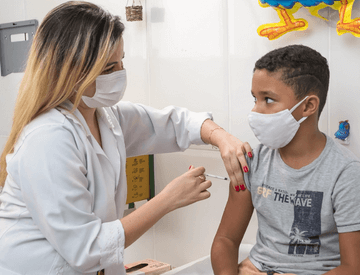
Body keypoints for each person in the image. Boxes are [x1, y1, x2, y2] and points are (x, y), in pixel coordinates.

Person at [0, 1, 252, 274]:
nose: (120, 74)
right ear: (70, 71)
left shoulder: (104, 116)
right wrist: (168, 199)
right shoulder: (47, 138)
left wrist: (221, 137)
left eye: (122, 61)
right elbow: (86, 250)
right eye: (108, 68)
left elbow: (172, 123)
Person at [211, 45, 360, 275]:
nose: (256, 111)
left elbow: (353, 267)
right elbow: (226, 240)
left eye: (268, 100)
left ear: (308, 106)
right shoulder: (253, 160)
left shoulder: (345, 173)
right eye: (255, 98)